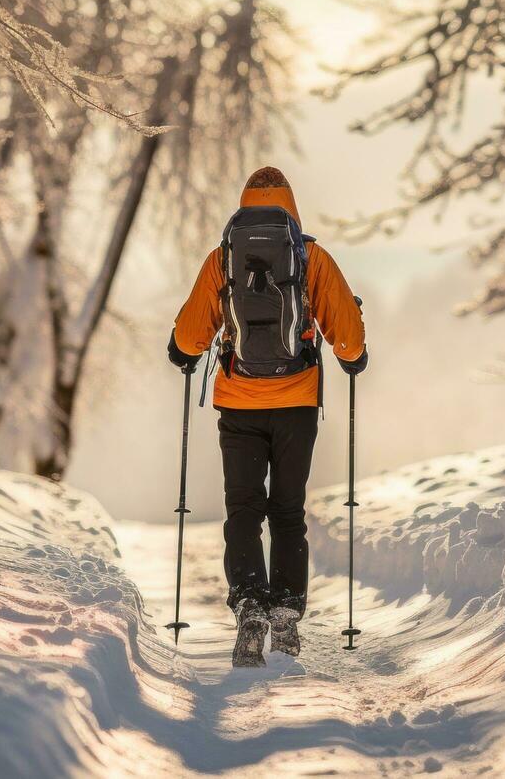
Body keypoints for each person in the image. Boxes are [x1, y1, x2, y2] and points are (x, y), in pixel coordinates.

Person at [167, 166, 367, 666]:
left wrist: (182, 352)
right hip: (296, 402)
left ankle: (251, 604)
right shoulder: (310, 256)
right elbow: (347, 332)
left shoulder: (225, 256)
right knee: (287, 511)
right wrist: (352, 356)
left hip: (238, 402)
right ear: (290, 205)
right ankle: (287, 613)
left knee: (244, 509)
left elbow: (191, 333)